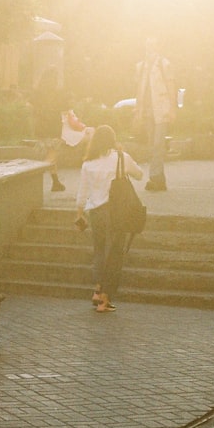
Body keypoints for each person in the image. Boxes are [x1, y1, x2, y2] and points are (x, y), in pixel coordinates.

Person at [75, 124, 143, 313]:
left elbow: (82, 193)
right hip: (116, 212)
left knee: (99, 251)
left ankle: (97, 291)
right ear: (113, 140)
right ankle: (105, 300)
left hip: (95, 212)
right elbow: (139, 174)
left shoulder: (88, 163)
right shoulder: (121, 158)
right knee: (114, 255)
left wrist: (79, 214)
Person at [134, 37, 175, 192]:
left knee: (158, 144)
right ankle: (160, 180)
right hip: (147, 112)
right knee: (153, 146)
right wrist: (138, 110)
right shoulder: (141, 66)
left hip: (162, 109)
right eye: (147, 46)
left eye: (152, 46)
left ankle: (153, 178)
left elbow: (171, 86)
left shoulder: (165, 64)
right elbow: (140, 89)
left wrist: (172, 109)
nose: (149, 49)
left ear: (158, 48)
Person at [29, 65, 69, 192]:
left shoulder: (37, 93)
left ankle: (56, 182)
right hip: (54, 128)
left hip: (41, 128)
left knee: (51, 155)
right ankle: (33, 175)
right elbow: (65, 111)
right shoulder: (58, 94)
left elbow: (31, 108)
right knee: (52, 156)